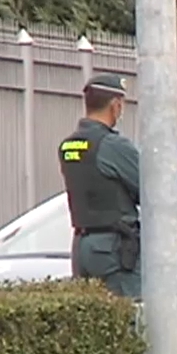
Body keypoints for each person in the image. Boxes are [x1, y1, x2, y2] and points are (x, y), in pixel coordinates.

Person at [59, 74, 142, 299]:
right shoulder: (113, 145)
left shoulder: (68, 145)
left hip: (82, 245)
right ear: (115, 105)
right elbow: (148, 191)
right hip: (114, 249)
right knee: (129, 319)